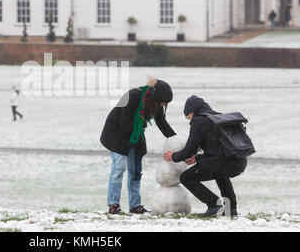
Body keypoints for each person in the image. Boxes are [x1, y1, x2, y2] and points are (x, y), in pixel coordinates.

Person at [101, 78, 176, 214]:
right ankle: (113, 205)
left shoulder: (155, 103)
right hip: (116, 134)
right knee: (119, 169)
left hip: (136, 135)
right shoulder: (133, 96)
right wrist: (141, 125)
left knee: (135, 172)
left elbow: (162, 123)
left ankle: (135, 206)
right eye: (163, 101)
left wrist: (176, 139)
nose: (163, 104)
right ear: (155, 97)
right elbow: (125, 123)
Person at [163, 96, 247, 217]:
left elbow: (189, 150)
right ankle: (231, 209)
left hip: (221, 162)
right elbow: (218, 150)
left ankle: (214, 204)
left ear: (192, 111)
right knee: (221, 174)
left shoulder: (199, 121)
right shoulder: (218, 118)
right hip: (239, 161)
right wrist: (197, 158)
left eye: (188, 115)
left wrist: (173, 156)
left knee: (186, 178)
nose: (189, 119)